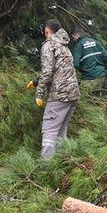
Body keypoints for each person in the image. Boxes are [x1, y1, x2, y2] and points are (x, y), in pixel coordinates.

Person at [35, 19, 80, 159]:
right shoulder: (64, 45)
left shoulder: (49, 46)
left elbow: (48, 72)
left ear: (47, 31)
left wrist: (39, 94)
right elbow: (60, 68)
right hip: (72, 93)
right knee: (61, 131)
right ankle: (62, 164)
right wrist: (37, 81)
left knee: (49, 130)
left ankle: (46, 168)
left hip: (59, 94)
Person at [71, 26, 107, 95]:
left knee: (86, 97)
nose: (73, 39)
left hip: (89, 78)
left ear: (76, 35)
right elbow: (106, 56)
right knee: (97, 97)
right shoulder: (96, 42)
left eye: (73, 37)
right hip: (101, 75)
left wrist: (82, 69)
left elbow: (76, 64)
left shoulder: (78, 46)